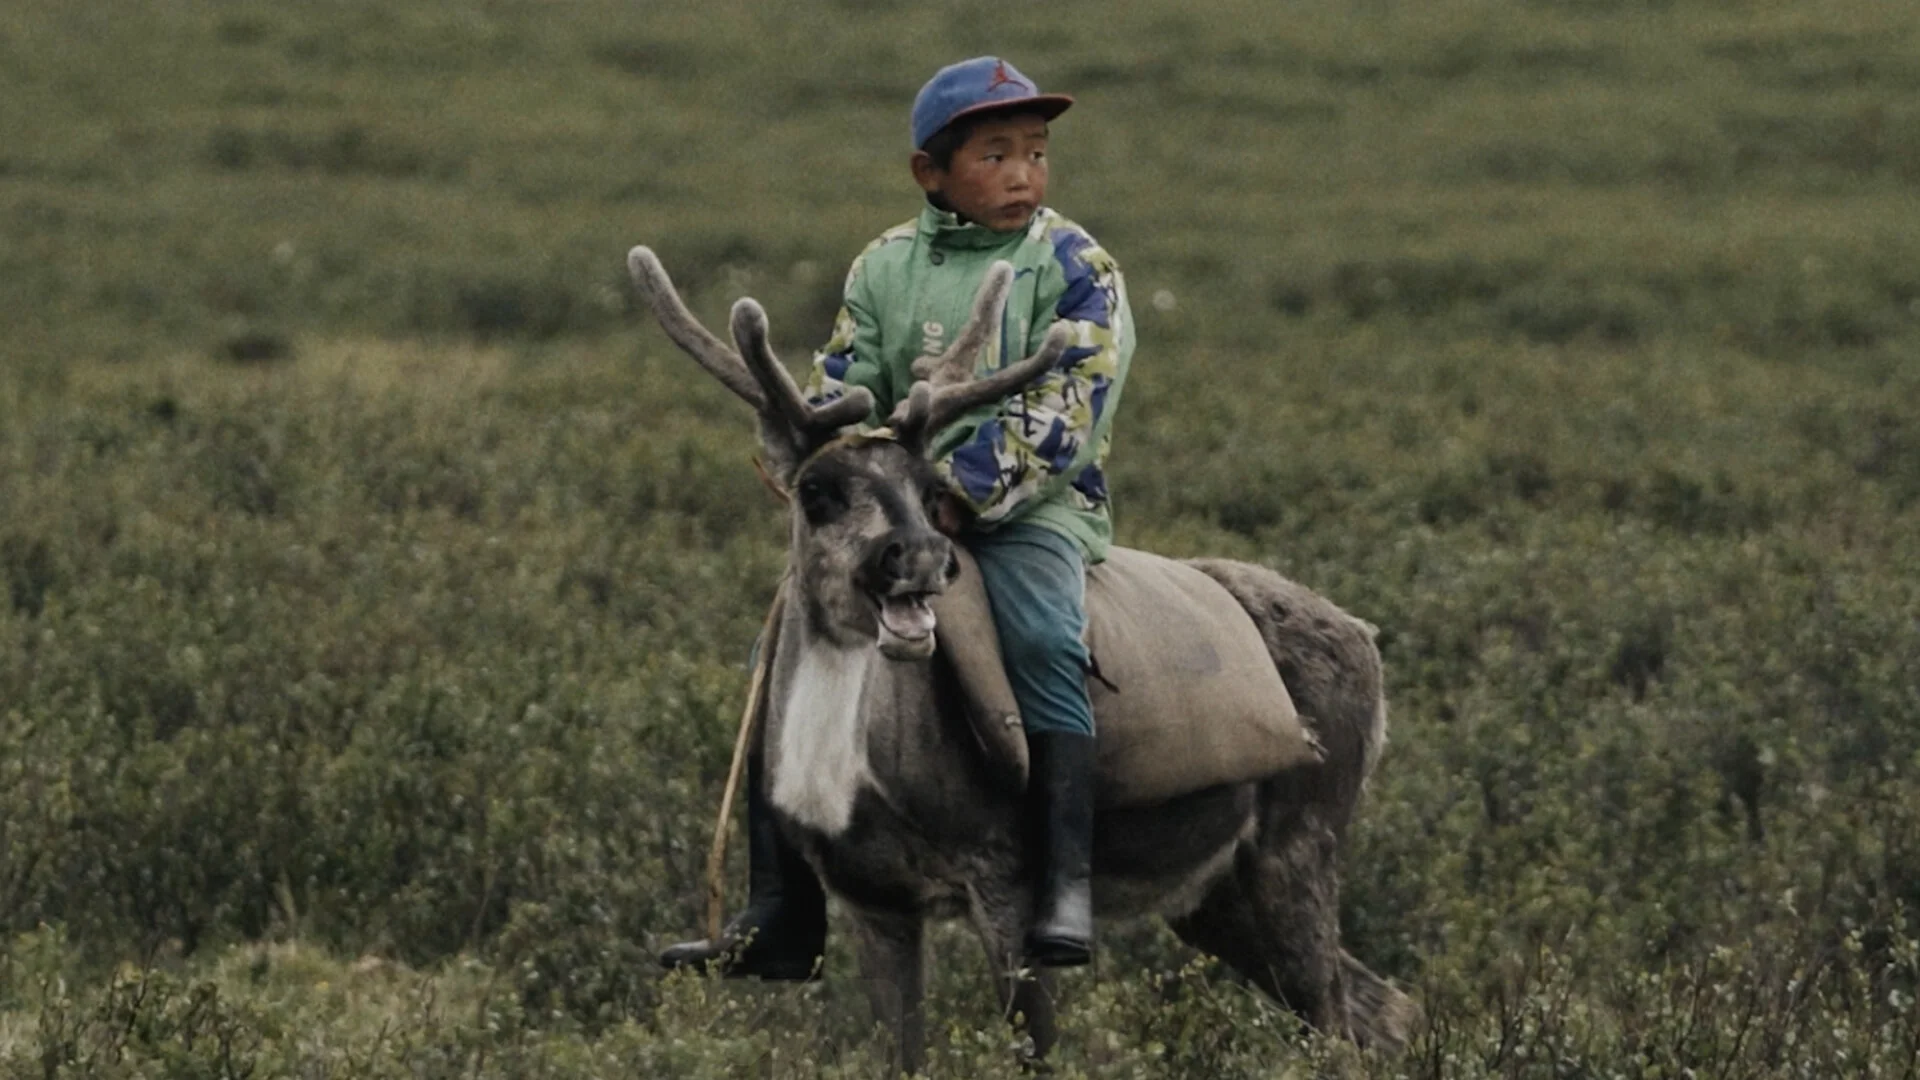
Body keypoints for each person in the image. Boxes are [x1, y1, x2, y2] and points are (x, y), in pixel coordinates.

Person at [660, 55, 1134, 978]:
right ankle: (783, 909)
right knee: (782, 653)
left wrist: (961, 494)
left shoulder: (1078, 266)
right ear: (932, 172)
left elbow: (1076, 401)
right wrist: (813, 450)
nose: (1024, 174)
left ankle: (1063, 882)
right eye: (996, 154)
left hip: (1033, 511)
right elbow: (844, 388)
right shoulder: (884, 266)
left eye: (1035, 153)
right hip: (896, 515)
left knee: (1041, 639)